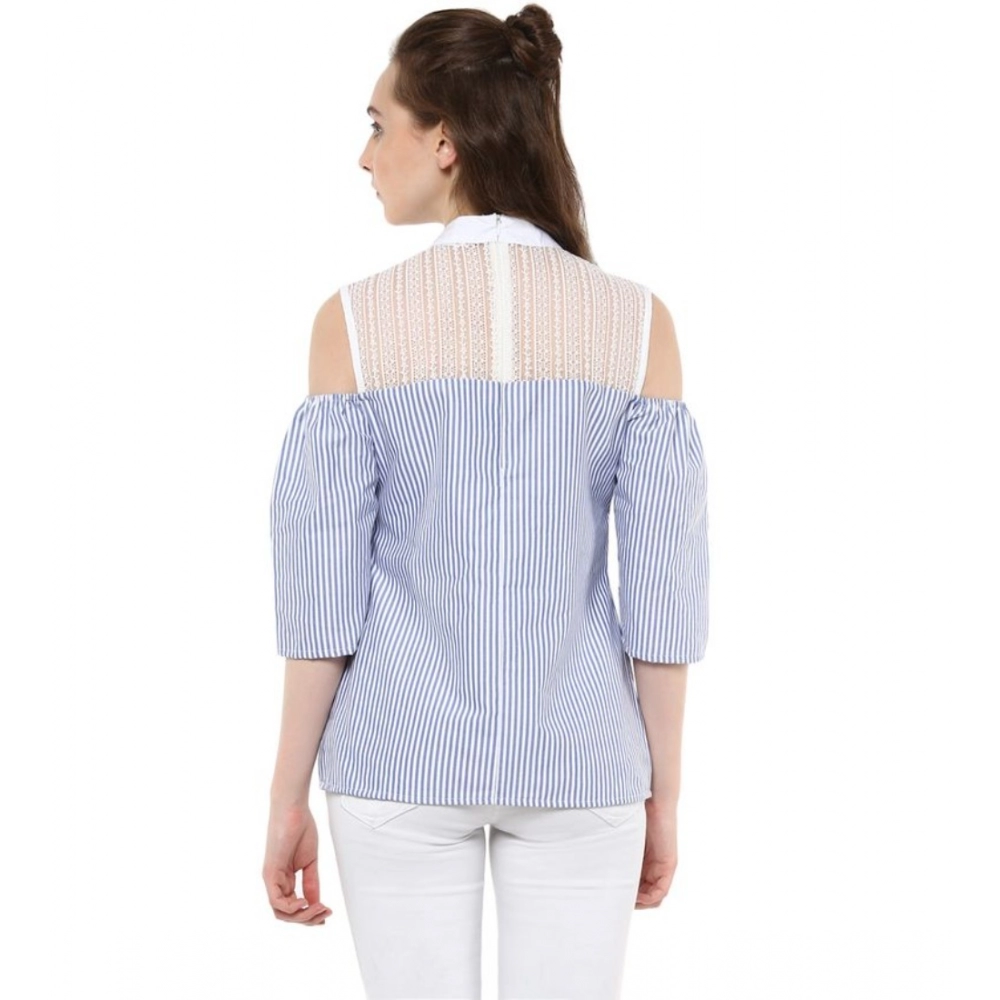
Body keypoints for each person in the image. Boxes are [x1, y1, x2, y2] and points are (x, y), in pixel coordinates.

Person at [262, 6, 709, 998]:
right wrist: (664, 795)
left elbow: (320, 604)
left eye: (378, 124)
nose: (364, 155)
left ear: (445, 142)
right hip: (585, 765)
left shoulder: (353, 325)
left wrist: (286, 797)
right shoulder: (638, 324)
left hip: (394, 760)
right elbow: (665, 602)